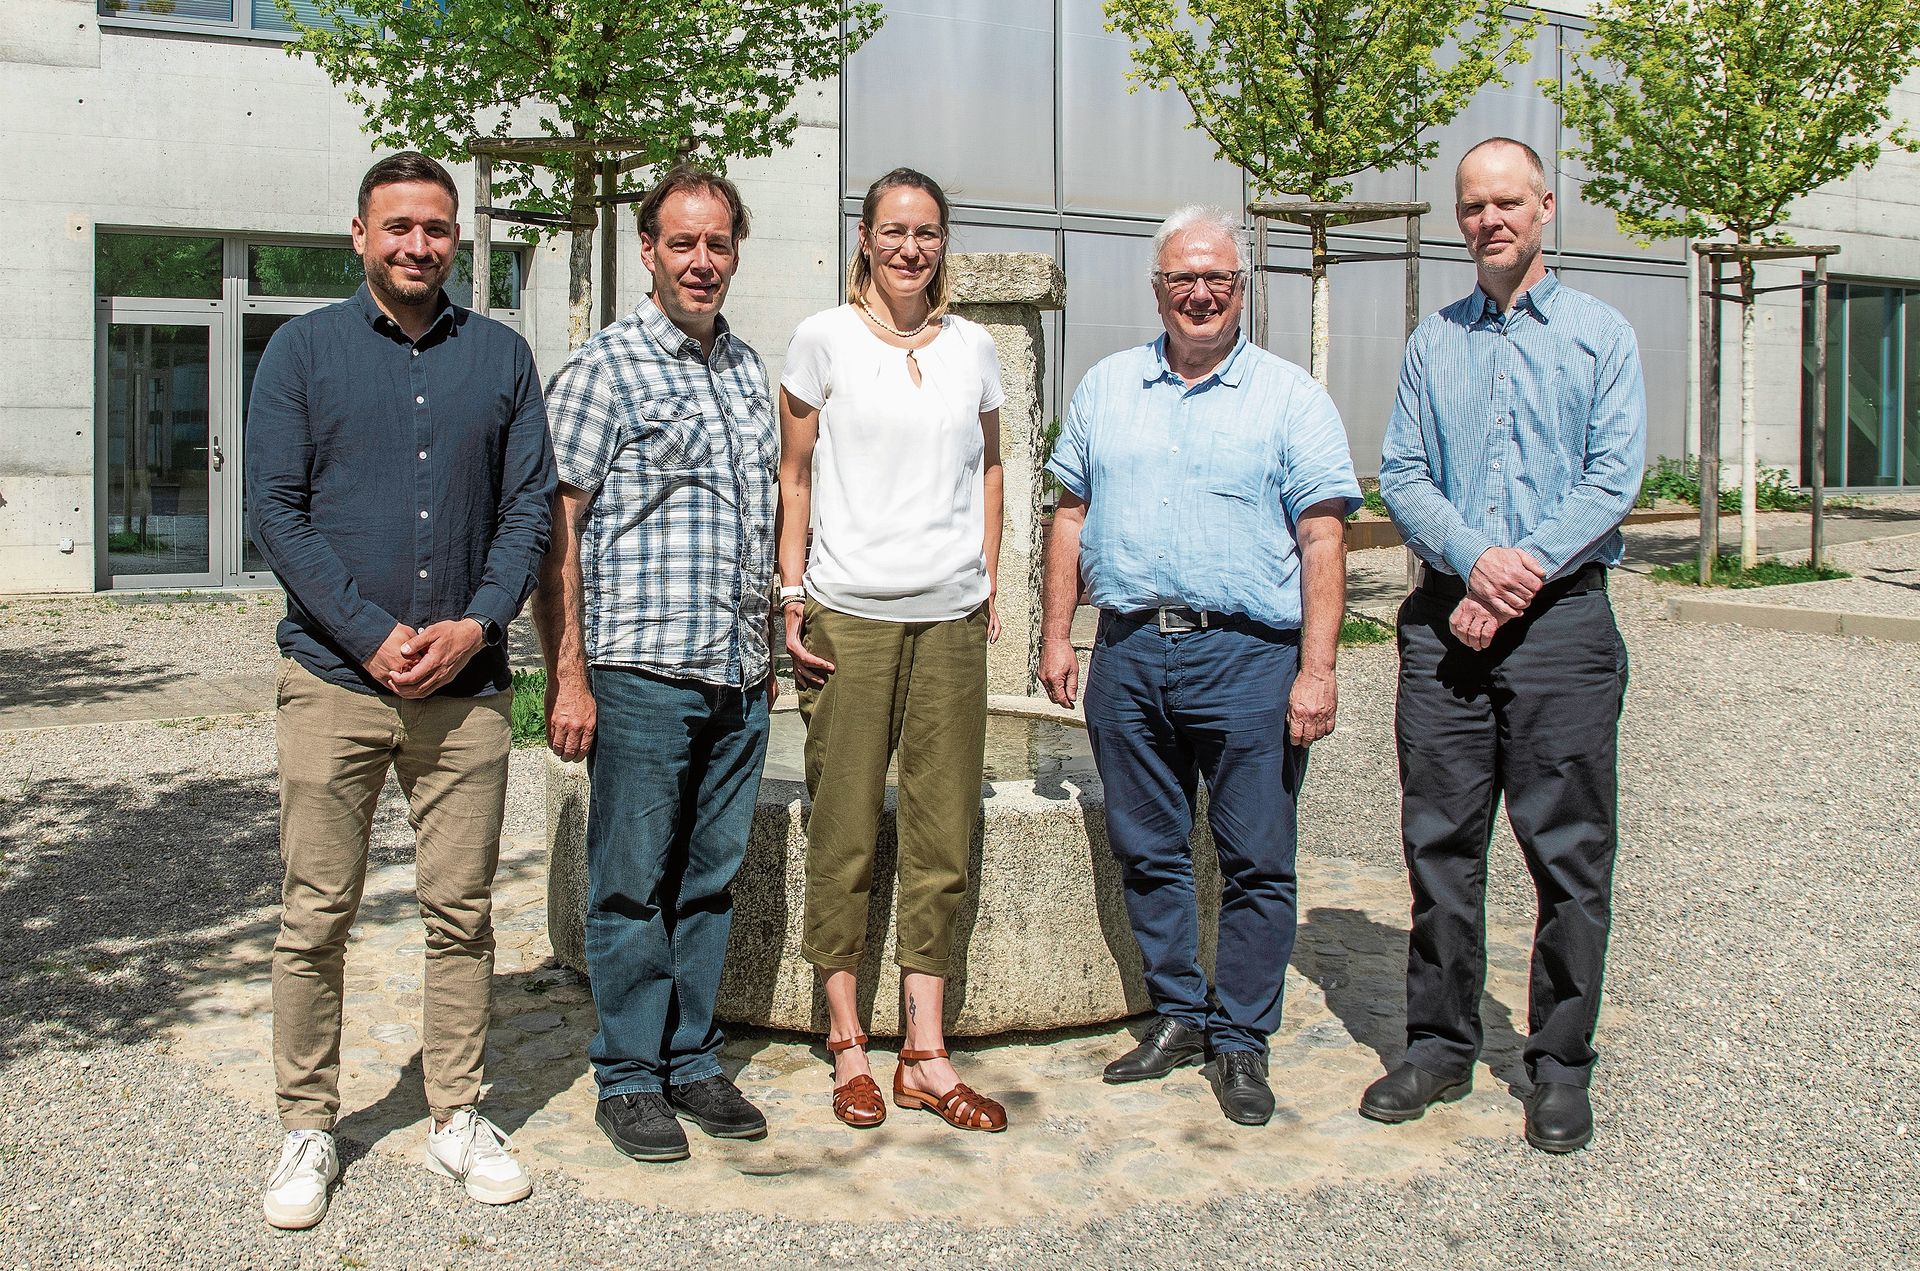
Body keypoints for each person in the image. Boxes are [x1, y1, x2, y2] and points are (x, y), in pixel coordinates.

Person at [247, 151, 553, 1228]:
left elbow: (528, 515)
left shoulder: (503, 358)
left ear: (457, 237)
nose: (418, 245)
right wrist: (373, 636)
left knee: (460, 913)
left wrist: (475, 621)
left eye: (436, 228)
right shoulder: (300, 351)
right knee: (314, 913)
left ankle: (457, 1113)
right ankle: (308, 1122)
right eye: (399, 227)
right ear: (360, 234)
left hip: (467, 693)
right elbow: (275, 511)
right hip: (335, 679)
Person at [1039, 205, 1360, 1127]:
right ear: (1158, 287)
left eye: (1218, 276)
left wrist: (1319, 667)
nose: (1201, 292)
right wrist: (1060, 636)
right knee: (1150, 846)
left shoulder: (1290, 397)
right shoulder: (1107, 388)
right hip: (1132, 653)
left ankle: (1242, 1036)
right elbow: (1070, 515)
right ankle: (1179, 1012)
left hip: (1248, 656)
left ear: (1243, 287)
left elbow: (1322, 535)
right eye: (1184, 276)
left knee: (1258, 857)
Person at [1366, 136, 1645, 1154]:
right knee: (1439, 846)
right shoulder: (1433, 341)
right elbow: (1401, 470)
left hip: (1562, 625)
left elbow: (1613, 477)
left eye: (1508, 202)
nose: (1491, 219)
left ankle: (1560, 1062)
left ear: (1546, 207)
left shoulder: (1601, 336)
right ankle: (1439, 1046)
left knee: (1567, 853)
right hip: (1448, 622)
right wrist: (1476, 561)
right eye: (1474, 204)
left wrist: (1515, 573)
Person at [535, 166, 777, 1164]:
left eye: (718, 243)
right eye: (683, 243)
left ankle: (690, 1054)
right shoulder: (605, 366)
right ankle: (628, 1073)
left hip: (738, 670)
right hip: (638, 671)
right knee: (631, 882)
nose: (702, 261)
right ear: (648, 251)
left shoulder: (749, 371)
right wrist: (567, 675)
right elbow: (558, 528)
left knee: (712, 877)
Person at [774, 167, 1008, 1134]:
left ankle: (925, 1049)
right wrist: (789, 596)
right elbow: (793, 477)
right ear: (865, 238)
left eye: (929, 232)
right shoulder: (821, 341)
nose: (912, 247)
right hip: (849, 613)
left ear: (942, 242)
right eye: (895, 230)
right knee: (845, 826)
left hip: (950, 616)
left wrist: (987, 573)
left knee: (943, 832)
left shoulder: (974, 348)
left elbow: (993, 465)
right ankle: (847, 1044)